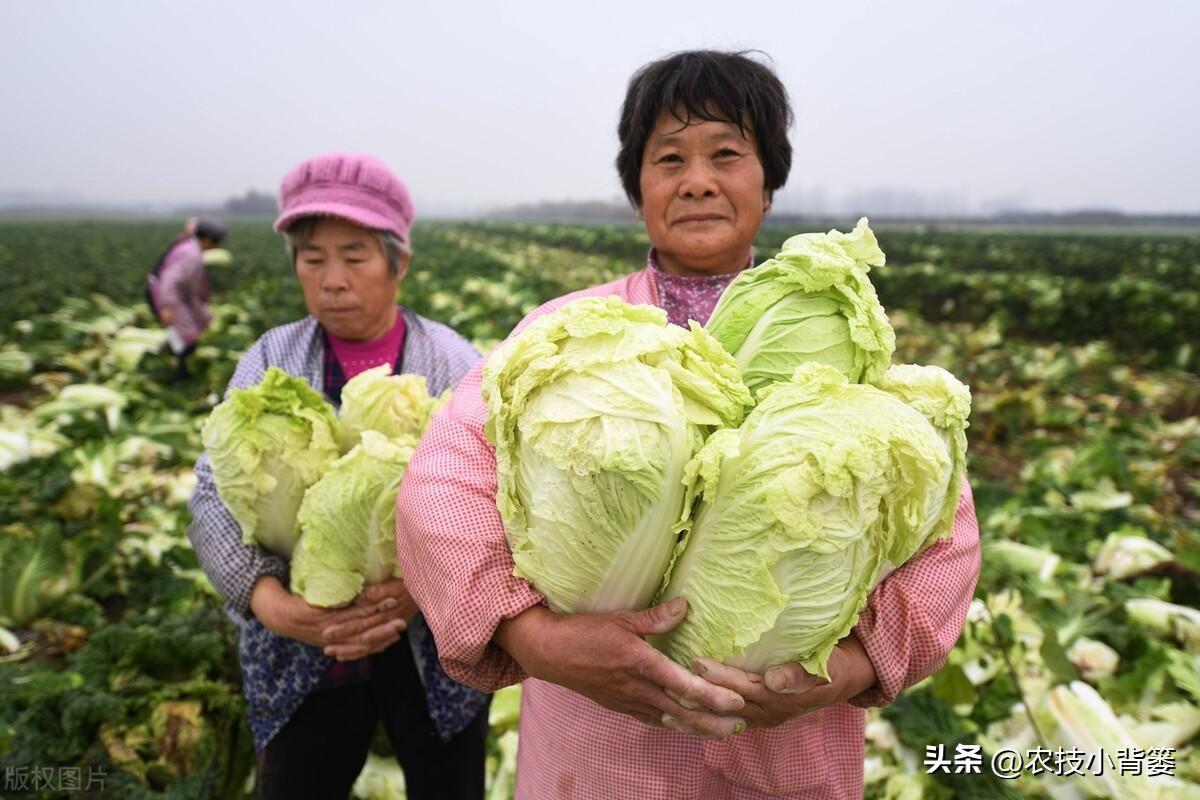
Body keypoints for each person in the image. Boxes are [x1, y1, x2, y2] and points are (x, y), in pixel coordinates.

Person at [395, 50, 981, 799]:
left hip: (786, 758)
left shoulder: (847, 343)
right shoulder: (565, 336)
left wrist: (854, 667)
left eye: (727, 154)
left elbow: (944, 527)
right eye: (668, 158)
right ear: (637, 189)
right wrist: (535, 638)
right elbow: (443, 481)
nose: (698, 179)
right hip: (599, 759)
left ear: (768, 182)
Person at [187, 153, 490, 800]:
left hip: (431, 644)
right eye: (313, 258)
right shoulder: (272, 357)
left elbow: (491, 496)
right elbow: (213, 493)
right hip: (302, 645)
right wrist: (271, 603)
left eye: (354, 257)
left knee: (448, 785)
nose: (332, 281)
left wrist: (419, 586)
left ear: (398, 262)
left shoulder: (453, 359)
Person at [148, 217, 225, 379]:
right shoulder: (190, 254)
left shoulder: (192, 248)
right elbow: (169, 281)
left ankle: (178, 365)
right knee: (185, 335)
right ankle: (179, 373)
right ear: (208, 240)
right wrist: (166, 307)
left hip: (177, 295)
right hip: (166, 294)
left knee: (194, 326)